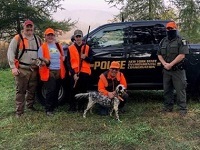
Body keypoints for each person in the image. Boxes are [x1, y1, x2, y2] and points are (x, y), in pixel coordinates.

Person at [7, 19, 41, 117]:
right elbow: (10, 53)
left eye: (31, 26)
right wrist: (13, 67)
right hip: (22, 69)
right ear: (24, 27)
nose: (29, 28)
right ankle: (19, 112)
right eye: (27, 26)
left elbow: (41, 52)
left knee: (32, 89)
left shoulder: (37, 39)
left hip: (34, 69)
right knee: (20, 90)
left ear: (33, 27)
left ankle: (30, 106)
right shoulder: (18, 38)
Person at [157, 21, 189, 117]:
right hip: (166, 70)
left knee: (180, 90)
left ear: (175, 29)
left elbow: (182, 55)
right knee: (167, 90)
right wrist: (165, 64)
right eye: (168, 29)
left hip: (177, 70)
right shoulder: (163, 41)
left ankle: (182, 109)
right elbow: (159, 54)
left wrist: (171, 64)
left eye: (172, 29)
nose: (170, 30)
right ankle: (168, 107)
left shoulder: (181, 40)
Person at [38, 28, 66, 116]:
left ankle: (53, 106)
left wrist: (63, 58)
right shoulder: (42, 47)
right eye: (48, 35)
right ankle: (48, 109)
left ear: (54, 36)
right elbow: (39, 61)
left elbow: (62, 56)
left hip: (58, 71)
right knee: (51, 90)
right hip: (49, 71)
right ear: (45, 36)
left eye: (52, 35)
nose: (50, 36)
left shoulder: (58, 46)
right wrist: (43, 62)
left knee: (57, 89)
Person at [66, 29, 93, 112]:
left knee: (83, 91)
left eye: (79, 36)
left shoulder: (87, 48)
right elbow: (68, 63)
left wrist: (86, 57)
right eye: (76, 36)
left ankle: (81, 107)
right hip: (74, 73)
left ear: (82, 37)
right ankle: (72, 107)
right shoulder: (70, 48)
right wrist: (73, 74)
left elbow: (92, 60)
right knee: (72, 90)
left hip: (84, 73)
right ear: (74, 37)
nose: (78, 38)